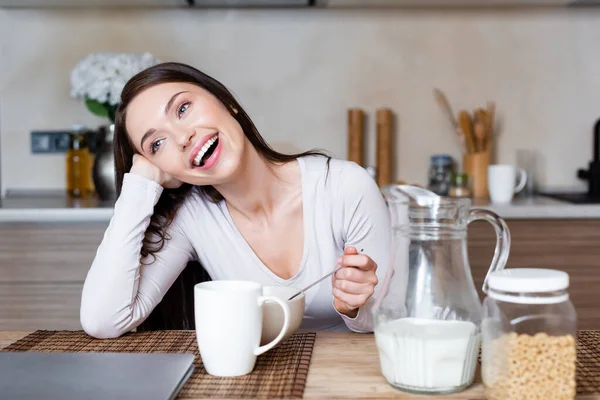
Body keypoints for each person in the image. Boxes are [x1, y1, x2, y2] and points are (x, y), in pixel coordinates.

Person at [80, 62, 392, 339]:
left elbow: (386, 321)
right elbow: (103, 321)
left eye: (183, 109)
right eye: (157, 144)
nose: (183, 137)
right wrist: (139, 186)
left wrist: (355, 307)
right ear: (166, 172)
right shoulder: (189, 220)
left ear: (228, 103)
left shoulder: (344, 186)